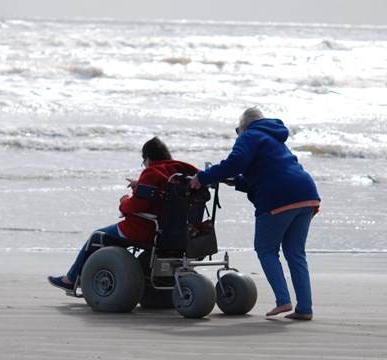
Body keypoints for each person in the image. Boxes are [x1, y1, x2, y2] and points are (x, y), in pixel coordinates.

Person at [190, 107, 320, 321]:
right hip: (306, 194)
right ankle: (305, 308)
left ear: (243, 126)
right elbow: (265, 172)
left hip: (279, 197)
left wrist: (205, 176)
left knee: (265, 249)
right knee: (295, 253)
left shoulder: (249, 135)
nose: (237, 134)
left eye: (236, 130)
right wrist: (233, 181)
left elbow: (236, 162)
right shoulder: (274, 138)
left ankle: (283, 300)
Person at [48, 137, 198, 292]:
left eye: (144, 161)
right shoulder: (181, 171)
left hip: (145, 229)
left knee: (96, 236)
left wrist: (123, 202)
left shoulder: (151, 172)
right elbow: (162, 193)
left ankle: (70, 279)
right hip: (178, 232)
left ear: (147, 158)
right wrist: (138, 186)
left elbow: (137, 205)